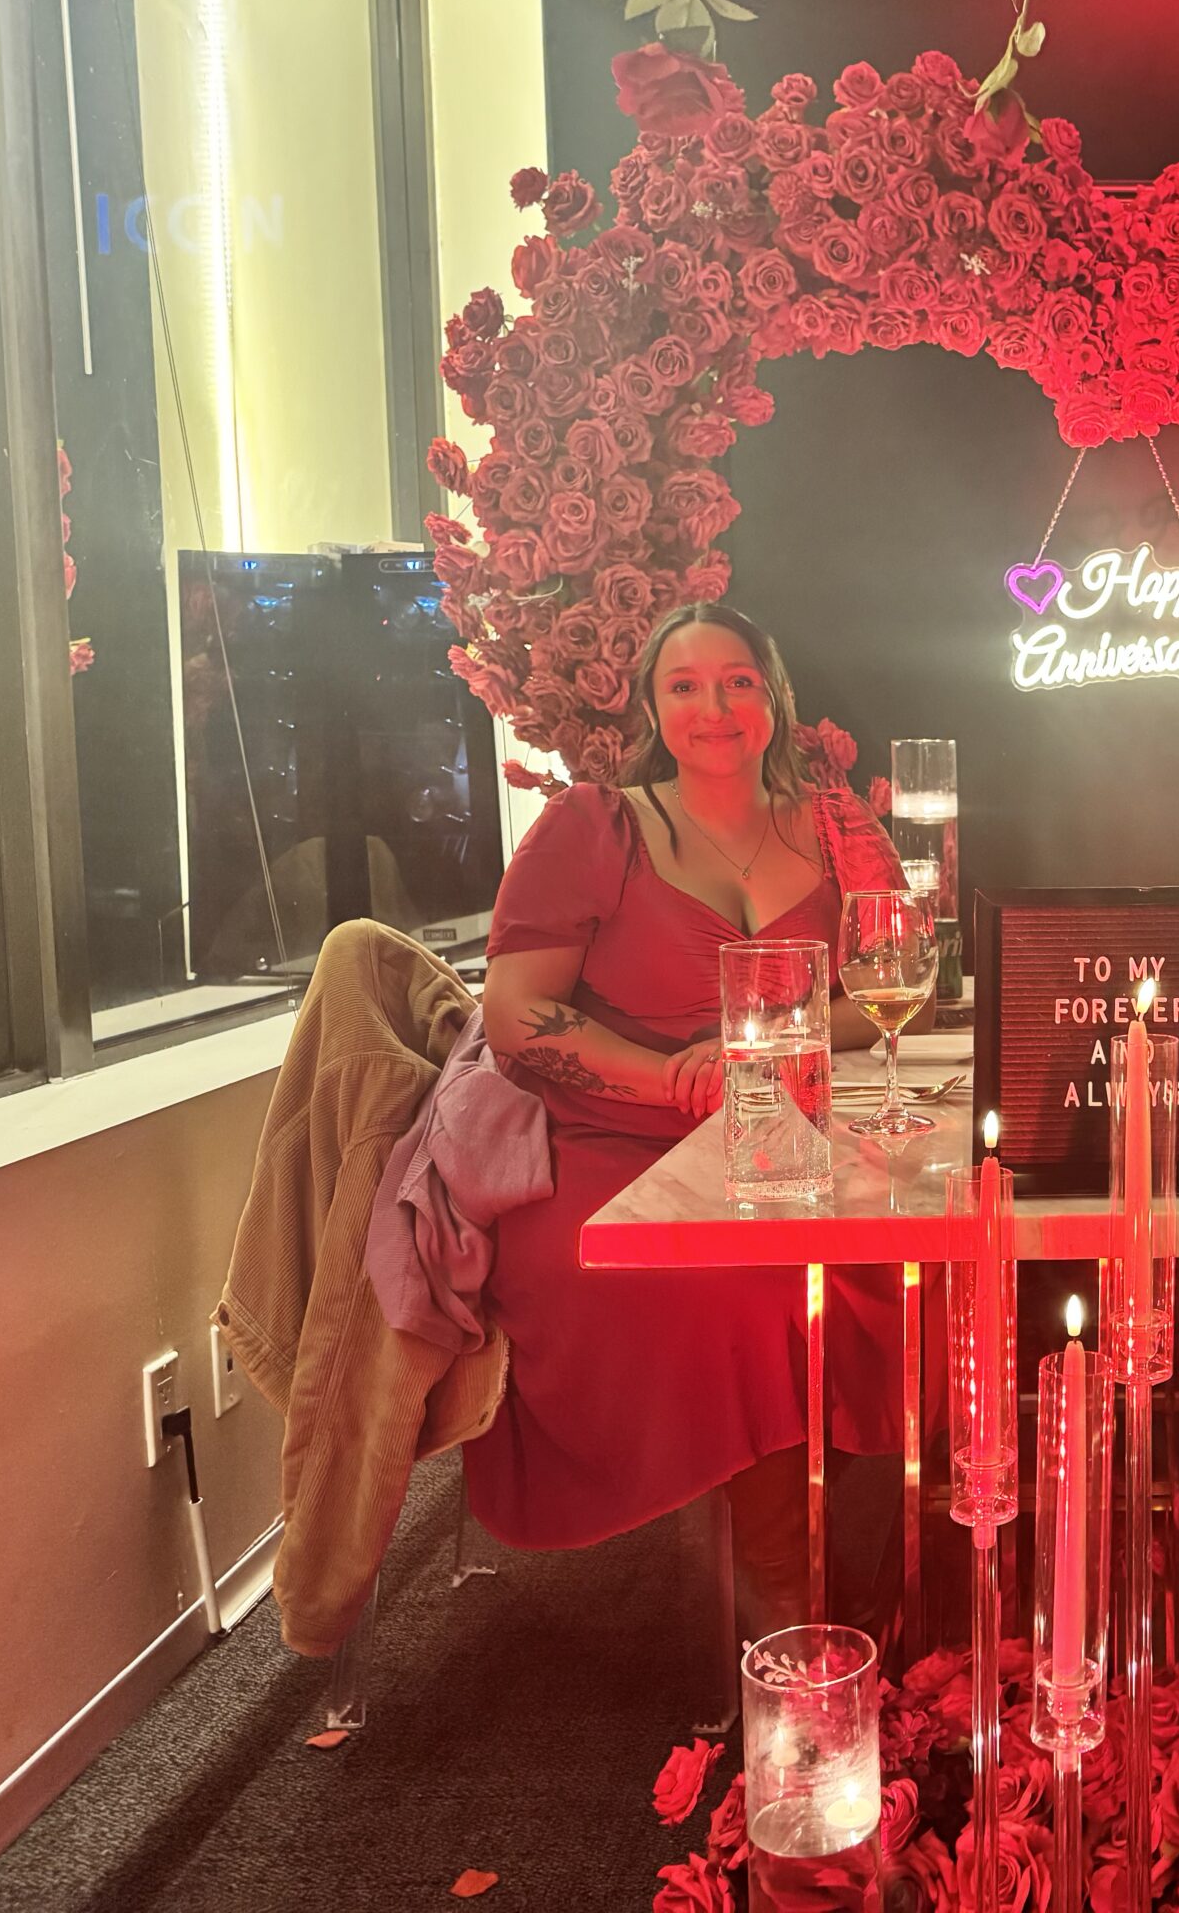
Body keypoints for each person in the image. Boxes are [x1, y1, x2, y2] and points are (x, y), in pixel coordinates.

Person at [468, 601, 906, 1636]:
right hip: (608, 1154)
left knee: (912, 1272)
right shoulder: (594, 826)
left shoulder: (835, 826)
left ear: (773, 698)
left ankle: (880, 1577)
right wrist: (673, 1079)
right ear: (652, 708)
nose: (714, 706)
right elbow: (514, 1016)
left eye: (737, 681)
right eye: (685, 685)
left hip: (780, 1143)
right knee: (758, 1300)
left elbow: (895, 989)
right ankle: (790, 1618)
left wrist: (771, 1051)